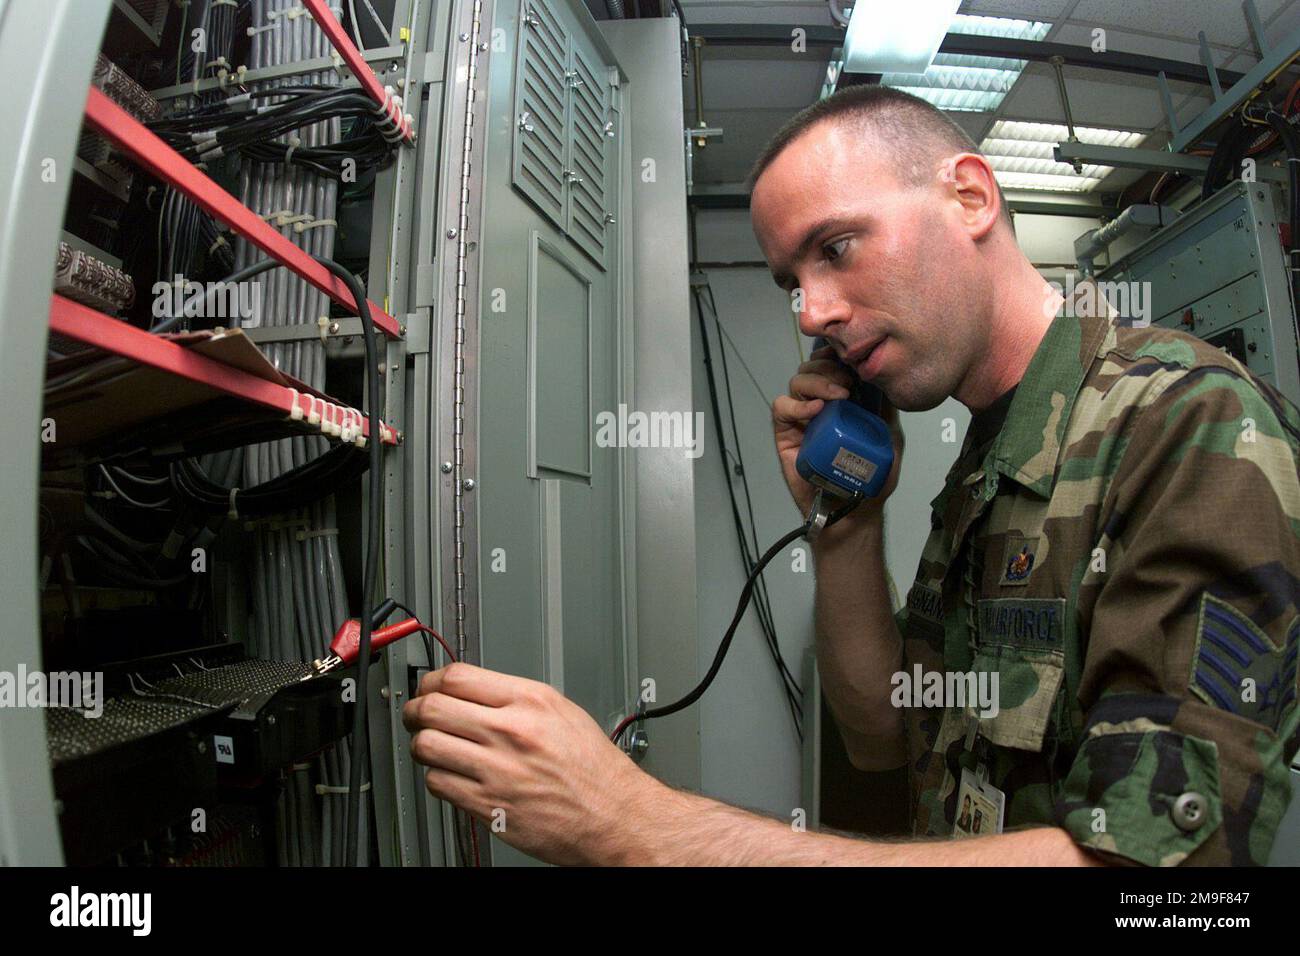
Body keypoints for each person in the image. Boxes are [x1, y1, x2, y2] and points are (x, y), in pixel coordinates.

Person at [402, 85, 1300, 866]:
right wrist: (846, 523)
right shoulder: (994, 455)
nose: (813, 314)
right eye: (791, 278)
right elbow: (883, 737)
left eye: (835, 248)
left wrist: (642, 827)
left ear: (970, 195)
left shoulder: (1186, 422)